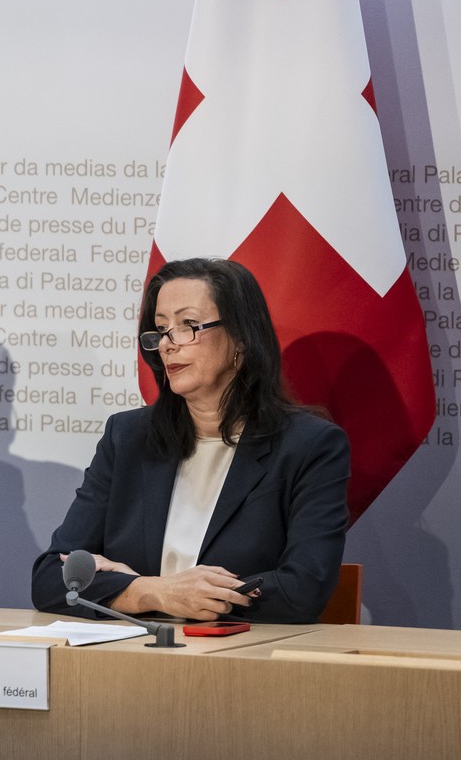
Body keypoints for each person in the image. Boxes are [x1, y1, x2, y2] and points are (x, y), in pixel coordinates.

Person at [31, 257, 349, 623]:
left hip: (246, 653)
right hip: (132, 651)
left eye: (188, 326)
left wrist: (159, 593)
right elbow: (52, 579)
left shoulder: (309, 446)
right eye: (161, 329)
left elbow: (303, 590)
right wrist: (155, 591)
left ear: (241, 338)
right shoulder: (128, 437)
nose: (167, 344)